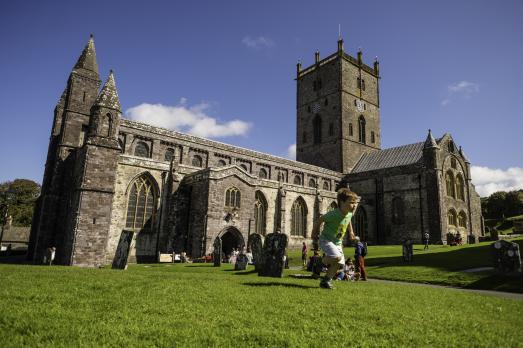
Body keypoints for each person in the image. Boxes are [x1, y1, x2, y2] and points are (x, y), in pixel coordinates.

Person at [311, 188, 360, 289]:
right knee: (336, 257)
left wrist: (351, 233)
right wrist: (314, 233)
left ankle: (326, 281)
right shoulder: (334, 214)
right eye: (351, 202)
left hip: (337, 242)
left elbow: (349, 220)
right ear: (342, 202)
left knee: (339, 263)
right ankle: (319, 264)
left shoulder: (349, 214)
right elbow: (320, 219)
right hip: (326, 240)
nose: (354, 205)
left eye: (355, 203)